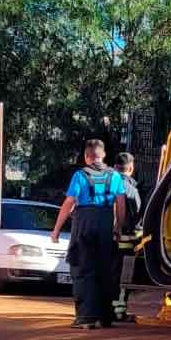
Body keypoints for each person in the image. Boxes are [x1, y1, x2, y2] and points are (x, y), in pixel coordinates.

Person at [51, 139, 126, 330]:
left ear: (86, 157)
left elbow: (69, 202)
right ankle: (105, 316)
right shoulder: (115, 176)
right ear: (104, 155)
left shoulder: (80, 175)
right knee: (105, 269)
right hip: (105, 222)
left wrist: (57, 229)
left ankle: (85, 317)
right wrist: (118, 228)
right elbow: (121, 203)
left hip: (84, 222)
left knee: (82, 269)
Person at [112, 152, 141, 322]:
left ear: (115, 167)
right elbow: (136, 216)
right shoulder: (130, 189)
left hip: (104, 239)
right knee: (122, 279)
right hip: (125, 242)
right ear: (131, 168)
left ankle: (101, 310)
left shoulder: (104, 183)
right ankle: (118, 312)